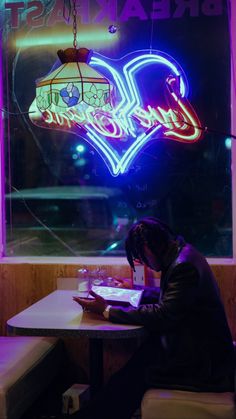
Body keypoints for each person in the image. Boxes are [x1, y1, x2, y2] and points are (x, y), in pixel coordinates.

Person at [64, 217, 235, 419]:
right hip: (192, 347)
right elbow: (173, 299)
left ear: (147, 247)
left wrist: (107, 310)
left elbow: (164, 314)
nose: (143, 262)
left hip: (204, 367)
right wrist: (134, 290)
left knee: (129, 380)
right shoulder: (182, 252)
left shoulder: (183, 267)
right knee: (129, 372)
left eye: (141, 257)